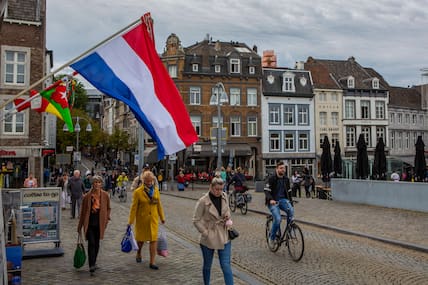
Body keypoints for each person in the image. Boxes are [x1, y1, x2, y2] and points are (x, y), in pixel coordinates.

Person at [192, 177, 234, 285]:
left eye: (221, 189)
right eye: (216, 189)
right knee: (207, 265)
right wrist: (205, 232)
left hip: (224, 235)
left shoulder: (224, 196)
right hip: (209, 236)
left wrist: (227, 217)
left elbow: (227, 210)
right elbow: (196, 220)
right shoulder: (203, 201)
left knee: (226, 265)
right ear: (211, 187)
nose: (219, 191)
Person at [127, 171, 165, 270]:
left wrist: (162, 217)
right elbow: (133, 208)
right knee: (141, 240)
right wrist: (130, 221)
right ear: (144, 181)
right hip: (142, 220)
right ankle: (139, 253)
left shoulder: (156, 190)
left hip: (153, 220)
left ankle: (152, 262)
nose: (149, 183)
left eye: (151, 181)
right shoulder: (138, 192)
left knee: (153, 240)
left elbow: (159, 204)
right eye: (147, 181)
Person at [77, 175, 111, 275]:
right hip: (90, 222)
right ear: (93, 184)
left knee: (96, 243)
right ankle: (91, 265)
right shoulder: (87, 196)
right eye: (95, 182)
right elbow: (83, 212)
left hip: (99, 222)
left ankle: (94, 261)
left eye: (99, 182)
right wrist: (79, 227)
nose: (97, 184)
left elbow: (108, 208)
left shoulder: (105, 195)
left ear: (101, 184)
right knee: (91, 243)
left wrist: (107, 218)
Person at [264, 161, 294, 247]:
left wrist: (291, 202)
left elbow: (289, 192)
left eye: (284, 168)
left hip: (283, 200)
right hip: (273, 201)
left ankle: (289, 233)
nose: (283, 170)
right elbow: (266, 190)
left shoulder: (286, 179)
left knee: (291, 212)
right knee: (277, 219)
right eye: (281, 168)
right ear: (277, 169)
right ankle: (272, 238)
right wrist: (270, 200)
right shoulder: (271, 178)